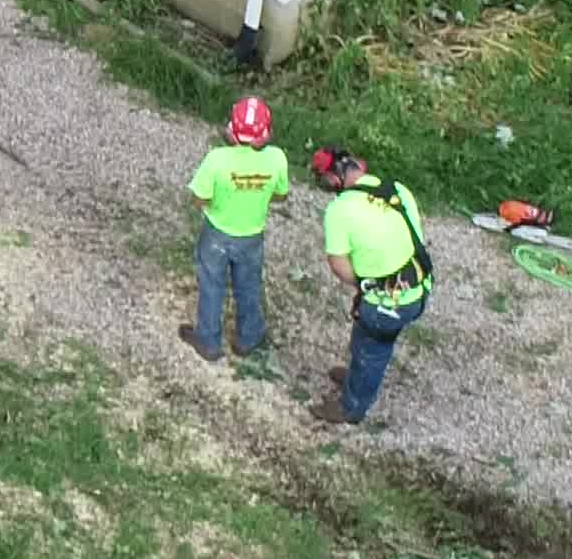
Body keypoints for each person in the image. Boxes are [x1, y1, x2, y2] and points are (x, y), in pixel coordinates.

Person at [309, 144, 434, 426]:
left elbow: (339, 266)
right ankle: (355, 377)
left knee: (372, 350)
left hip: (391, 302)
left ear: (332, 179)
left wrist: (364, 284)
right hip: (418, 284)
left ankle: (352, 407)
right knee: (363, 335)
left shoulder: (339, 210)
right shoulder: (396, 190)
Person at [182, 95, 288, 362]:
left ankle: (208, 340)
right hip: (252, 235)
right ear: (266, 133)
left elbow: (199, 197)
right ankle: (248, 336)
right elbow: (280, 196)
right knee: (248, 285)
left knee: (212, 284)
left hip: (217, 232)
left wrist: (220, 202)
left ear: (231, 129)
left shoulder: (217, 159)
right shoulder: (277, 159)